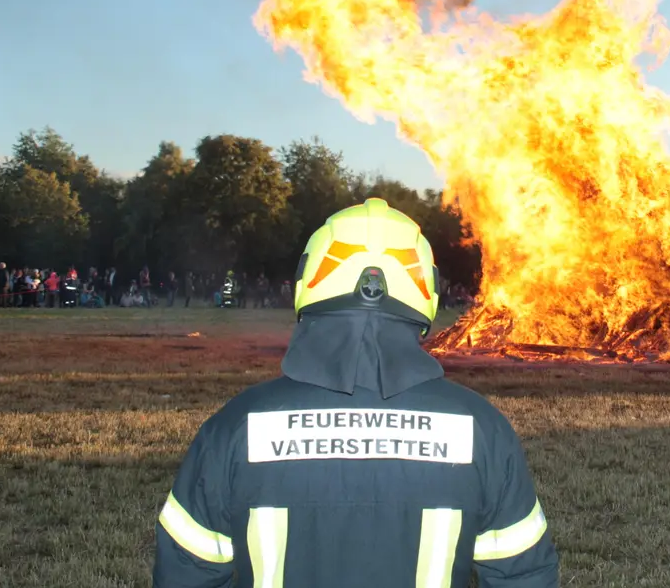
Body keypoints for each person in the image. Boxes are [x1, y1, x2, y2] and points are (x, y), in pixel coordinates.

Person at [153, 197, 559, 587]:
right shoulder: (482, 431)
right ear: (425, 292)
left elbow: (187, 573)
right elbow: (523, 575)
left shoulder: (235, 427)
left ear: (308, 282)